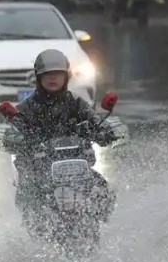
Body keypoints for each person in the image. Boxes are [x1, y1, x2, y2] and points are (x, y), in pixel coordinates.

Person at [10, 49, 117, 222]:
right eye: (48, 74)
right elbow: (14, 131)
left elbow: (95, 119)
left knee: (102, 190)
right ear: (39, 77)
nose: (53, 78)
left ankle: (96, 222)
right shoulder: (26, 107)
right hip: (40, 166)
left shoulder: (76, 103)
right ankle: (34, 229)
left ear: (66, 76)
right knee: (29, 195)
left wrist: (104, 131)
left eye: (58, 74)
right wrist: (19, 137)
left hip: (75, 165)